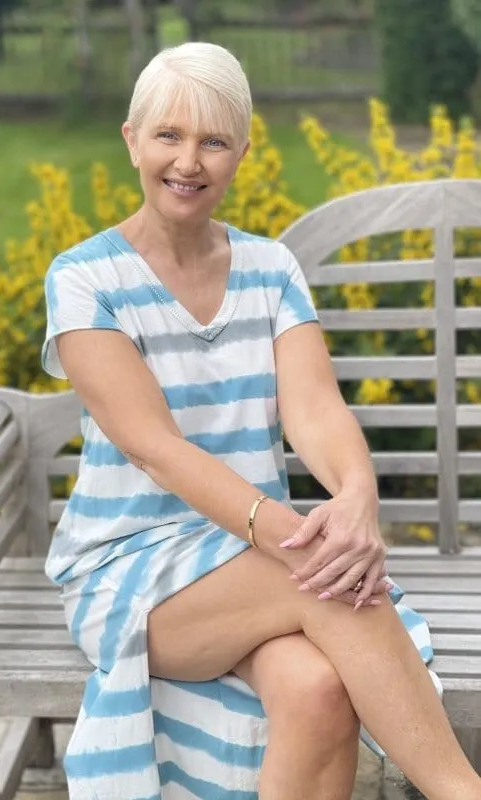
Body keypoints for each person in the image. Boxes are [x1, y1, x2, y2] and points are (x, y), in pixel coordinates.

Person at [42, 41, 481, 800]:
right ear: (131, 140)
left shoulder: (270, 268)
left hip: (251, 553)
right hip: (131, 570)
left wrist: (355, 504)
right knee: (331, 587)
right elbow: (156, 451)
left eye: (214, 141)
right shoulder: (85, 280)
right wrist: (306, 543)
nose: (189, 160)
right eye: (168, 136)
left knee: (317, 688)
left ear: (243, 151)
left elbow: (315, 410)